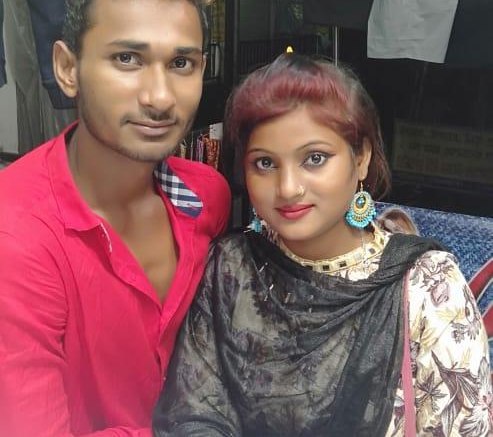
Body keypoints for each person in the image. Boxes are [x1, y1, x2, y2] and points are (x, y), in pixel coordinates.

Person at [153, 54, 492, 436]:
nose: (288, 188)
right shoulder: (231, 269)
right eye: (264, 163)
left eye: (314, 158)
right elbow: (193, 416)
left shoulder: (428, 287)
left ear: (361, 158)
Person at [0, 0, 230, 436]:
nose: (160, 98)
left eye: (181, 63)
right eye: (127, 58)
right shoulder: (15, 237)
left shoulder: (206, 197)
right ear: (68, 69)